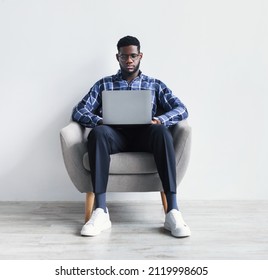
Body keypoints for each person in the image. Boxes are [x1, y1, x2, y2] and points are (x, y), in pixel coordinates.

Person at [72, 35, 191, 238]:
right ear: (117, 57)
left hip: (145, 135)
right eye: (124, 56)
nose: (129, 60)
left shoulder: (155, 84)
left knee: (161, 132)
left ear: (140, 56)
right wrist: (99, 121)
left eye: (133, 56)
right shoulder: (104, 84)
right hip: (114, 136)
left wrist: (161, 120)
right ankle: (101, 211)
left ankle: (173, 211)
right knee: (98, 133)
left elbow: (181, 109)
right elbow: (79, 111)